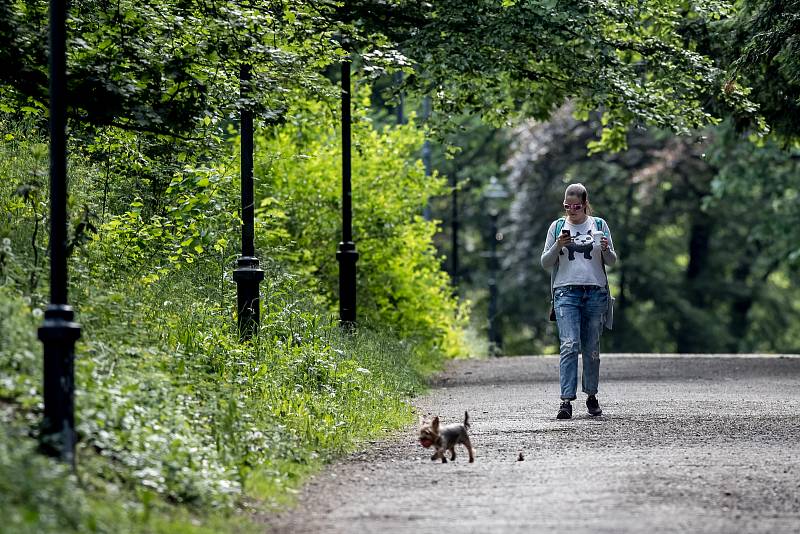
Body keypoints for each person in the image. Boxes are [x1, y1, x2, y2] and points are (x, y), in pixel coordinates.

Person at [540, 183, 617, 419]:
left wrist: (605, 249)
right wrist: (558, 245)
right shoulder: (557, 227)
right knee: (569, 344)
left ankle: (591, 395)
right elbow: (545, 262)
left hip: (595, 291)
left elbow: (612, 261)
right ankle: (566, 400)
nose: (571, 210)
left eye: (575, 206)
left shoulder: (599, 225)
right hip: (565, 292)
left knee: (591, 348)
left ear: (584, 204)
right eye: (566, 205)